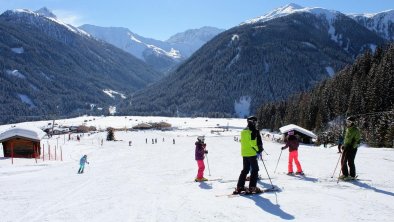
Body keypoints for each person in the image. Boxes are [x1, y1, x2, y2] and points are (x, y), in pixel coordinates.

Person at [234, 116, 263, 194]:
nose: (256, 123)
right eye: (255, 122)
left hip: (244, 153)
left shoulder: (243, 131)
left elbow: (244, 142)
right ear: (253, 122)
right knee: (255, 169)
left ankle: (240, 186)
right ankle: (252, 187)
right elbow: (253, 143)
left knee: (245, 170)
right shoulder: (253, 131)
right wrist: (259, 150)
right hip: (251, 153)